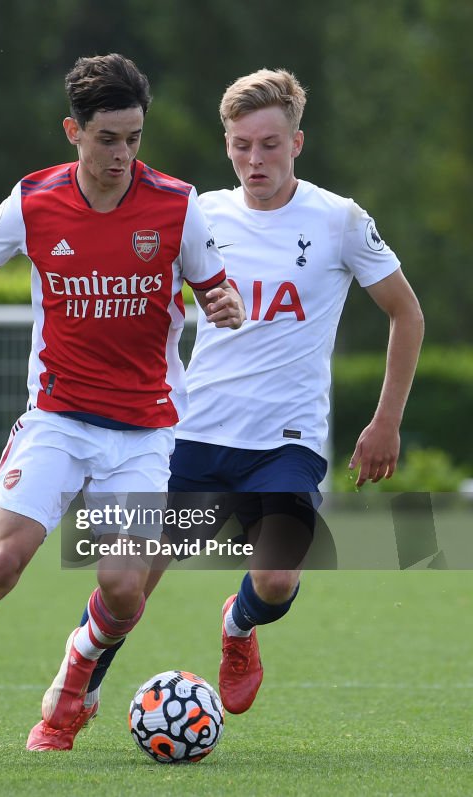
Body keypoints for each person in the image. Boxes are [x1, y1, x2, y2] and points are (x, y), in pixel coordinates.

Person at [34, 68, 425, 750]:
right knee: (130, 586)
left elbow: (406, 312)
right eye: (241, 145)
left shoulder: (340, 220)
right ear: (226, 143)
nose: (255, 161)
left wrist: (385, 419)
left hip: (287, 441)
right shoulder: (197, 213)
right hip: (190, 437)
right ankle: (73, 694)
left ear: (297, 142)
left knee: (275, 578)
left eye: (269, 144)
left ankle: (238, 628)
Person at [0, 53, 245, 766]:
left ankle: (76, 675)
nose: (122, 155)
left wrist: (225, 306)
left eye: (134, 138)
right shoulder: (33, 200)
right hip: (58, 416)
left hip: (146, 433)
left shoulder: (177, 205)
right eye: (108, 138)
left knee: (122, 589)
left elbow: (216, 292)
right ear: (72, 132)